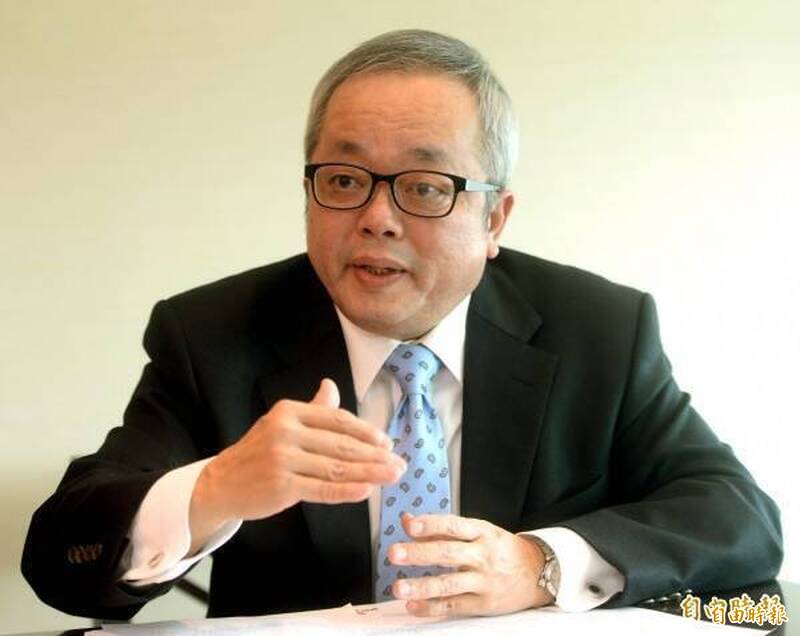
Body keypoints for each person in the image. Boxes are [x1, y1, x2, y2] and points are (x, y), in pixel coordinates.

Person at [22, 29, 781, 621]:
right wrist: (213, 489)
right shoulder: (212, 336)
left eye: (423, 186)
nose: (377, 218)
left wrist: (542, 565)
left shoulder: (598, 330)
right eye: (344, 179)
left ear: (494, 219)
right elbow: (60, 559)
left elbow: (738, 519)